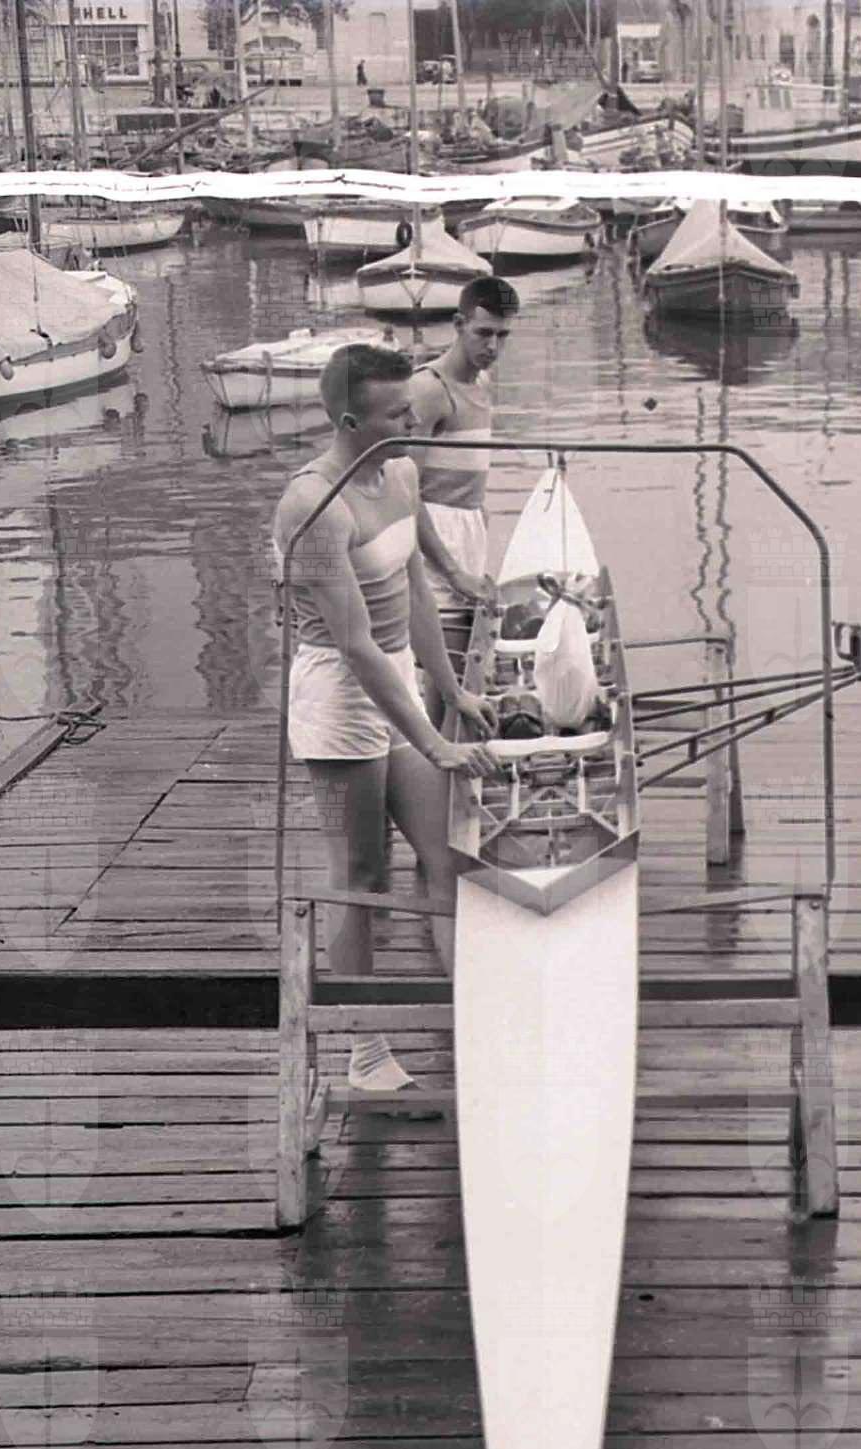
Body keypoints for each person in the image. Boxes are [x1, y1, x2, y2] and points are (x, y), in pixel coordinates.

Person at [271, 343, 501, 1110]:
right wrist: (434, 741)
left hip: (396, 679)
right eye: (397, 415)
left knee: (448, 856)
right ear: (348, 423)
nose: (414, 424)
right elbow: (354, 643)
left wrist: (450, 691)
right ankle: (365, 1053)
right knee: (362, 877)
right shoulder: (312, 506)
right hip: (340, 703)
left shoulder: (399, 473)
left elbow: (416, 595)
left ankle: (473, 1015)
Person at [408, 275, 520, 708]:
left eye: (502, 336)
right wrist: (453, 571)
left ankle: (451, 742)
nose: (493, 346)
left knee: (466, 667)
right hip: (433, 540)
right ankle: (435, 746)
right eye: (483, 333)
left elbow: (469, 474)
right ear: (458, 324)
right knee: (447, 672)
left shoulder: (483, 384)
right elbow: (404, 492)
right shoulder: (429, 389)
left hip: (468, 530)